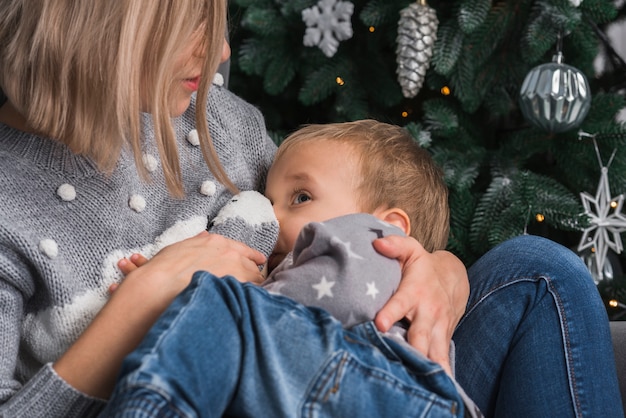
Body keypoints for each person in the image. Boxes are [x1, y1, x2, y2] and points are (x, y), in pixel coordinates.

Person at [0, 0, 621, 416]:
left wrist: (439, 272)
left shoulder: (221, 123)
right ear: (100, 29)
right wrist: (136, 308)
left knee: (541, 272)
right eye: (190, 28)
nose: (220, 55)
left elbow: (345, 227)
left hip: (359, 377)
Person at [102, 119, 485, 417]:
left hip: (378, 386)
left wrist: (174, 295)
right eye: (270, 200)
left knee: (214, 301)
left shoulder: (372, 245)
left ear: (390, 227)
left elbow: (323, 302)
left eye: (301, 197)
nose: (271, 215)